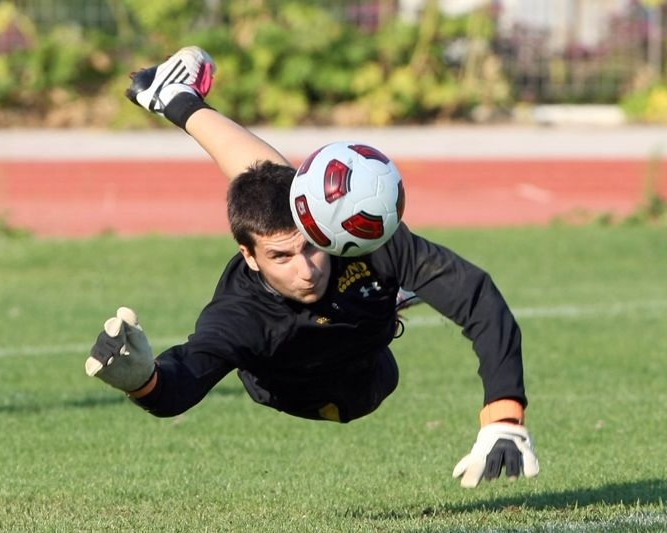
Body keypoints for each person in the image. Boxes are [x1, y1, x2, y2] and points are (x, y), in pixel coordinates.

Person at [86, 47, 539, 488]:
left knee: (275, 182)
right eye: (280, 258)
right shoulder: (240, 318)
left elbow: (476, 296)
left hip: (366, 341)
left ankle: (178, 99)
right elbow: (180, 386)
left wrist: (504, 418)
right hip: (325, 391)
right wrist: (144, 382)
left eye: (310, 247)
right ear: (249, 257)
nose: (305, 269)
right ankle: (178, 99)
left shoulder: (350, 235)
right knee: (279, 208)